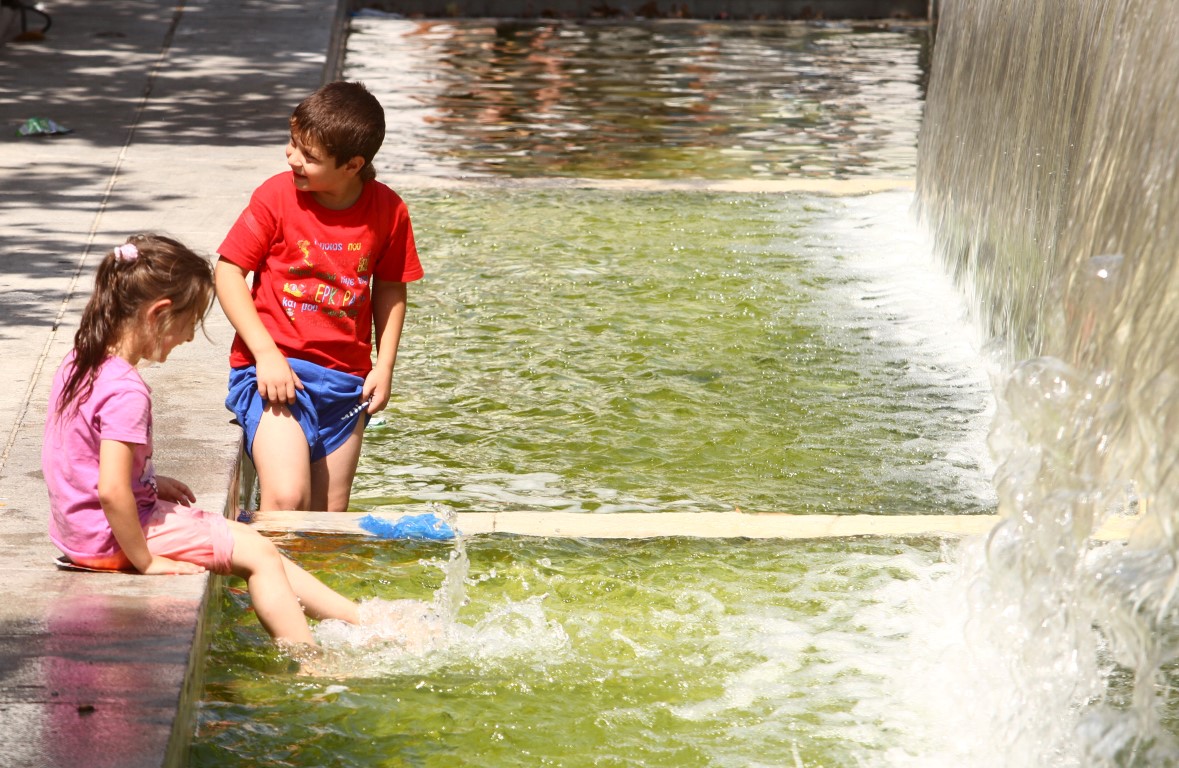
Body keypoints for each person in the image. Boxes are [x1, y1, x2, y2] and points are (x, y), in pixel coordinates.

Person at [42, 234, 360, 647]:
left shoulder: (80, 360)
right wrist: (148, 561)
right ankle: (308, 662)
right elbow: (111, 490)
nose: (189, 338)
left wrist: (151, 481)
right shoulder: (126, 390)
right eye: (190, 322)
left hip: (79, 530)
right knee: (260, 557)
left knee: (250, 542)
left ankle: (357, 618)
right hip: (112, 538)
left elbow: (78, 457)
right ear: (159, 314)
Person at [215, 80, 423, 513]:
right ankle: (265, 579)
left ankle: (300, 582)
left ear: (352, 165)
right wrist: (265, 354)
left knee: (328, 517)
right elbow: (229, 271)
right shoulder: (276, 196)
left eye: (309, 156)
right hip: (275, 374)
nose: (292, 158)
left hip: (346, 384)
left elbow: (389, 286)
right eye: (293, 144)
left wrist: (384, 366)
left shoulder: (389, 211)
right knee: (288, 497)